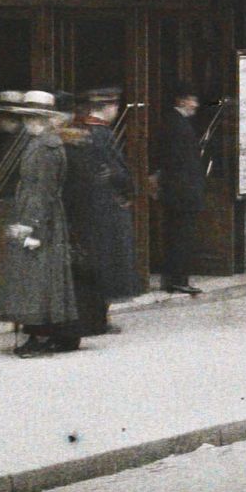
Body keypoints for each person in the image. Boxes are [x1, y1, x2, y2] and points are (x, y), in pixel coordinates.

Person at [0, 91, 78, 357]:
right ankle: (44, 333)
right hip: (41, 216)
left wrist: (31, 225)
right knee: (37, 278)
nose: (29, 121)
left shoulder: (45, 147)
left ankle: (41, 336)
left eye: (34, 117)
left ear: (44, 119)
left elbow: (42, 190)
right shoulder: (37, 143)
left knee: (38, 280)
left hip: (42, 219)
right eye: (27, 116)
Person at [61, 87, 140, 341]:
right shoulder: (100, 134)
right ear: (108, 107)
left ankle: (97, 319)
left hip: (94, 211)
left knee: (97, 267)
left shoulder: (85, 132)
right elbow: (112, 171)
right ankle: (97, 320)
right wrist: (126, 186)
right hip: (103, 211)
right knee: (102, 266)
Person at [155, 86, 206, 295]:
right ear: (181, 101)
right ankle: (178, 280)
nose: (196, 105)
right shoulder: (178, 125)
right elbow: (179, 163)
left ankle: (174, 279)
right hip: (181, 192)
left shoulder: (176, 123)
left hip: (177, 191)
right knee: (181, 237)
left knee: (177, 236)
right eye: (192, 100)